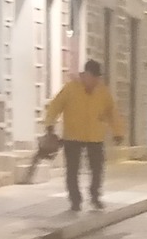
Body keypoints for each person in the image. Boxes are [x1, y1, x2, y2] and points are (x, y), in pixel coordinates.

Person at [44, 60, 123, 212]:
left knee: (97, 168)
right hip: (73, 135)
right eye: (94, 77)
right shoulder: (71, 88)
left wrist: (118, 132)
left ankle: (95, 196)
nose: (96, 81)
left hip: (95, 136)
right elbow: (55, 105)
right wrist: (49, 124)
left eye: (98, 78)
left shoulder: (102, 91)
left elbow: (112, 112)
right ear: (86, 75)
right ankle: (75, 200)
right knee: (72, 170)